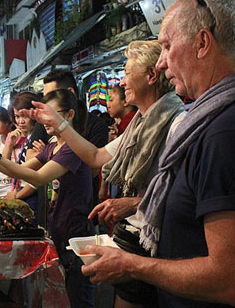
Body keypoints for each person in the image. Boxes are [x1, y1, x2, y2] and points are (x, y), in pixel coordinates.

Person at [82, 0, 235, 307]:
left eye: (166, 45)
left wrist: (133, 265)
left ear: (202, 43)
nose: (162, 62)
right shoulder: (213, 121)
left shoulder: (228, 134)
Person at [24, 40, 185, 308]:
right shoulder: (139, 125)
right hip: (135, 238)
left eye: (126, 72)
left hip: (161, 245)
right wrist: (59, 123)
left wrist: (135, 203)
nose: (121, 82)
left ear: (151, 76)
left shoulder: (177, 124)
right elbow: (96, 156)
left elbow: (183, 193)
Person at [0, 89, 96, 307]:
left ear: (69, 115)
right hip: (59, 232)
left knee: (79, 300)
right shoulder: (53, 146)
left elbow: (37, 177)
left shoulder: (72, 148)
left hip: (76, 237)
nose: (44, 120)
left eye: (50, 113)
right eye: (42, 114)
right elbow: (19, 169)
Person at [41, 69, 109, 205]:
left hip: (81, 207)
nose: (45, 103)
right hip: (53, 204)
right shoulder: (46, 123)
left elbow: (91, 169)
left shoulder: (97, 125)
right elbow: (32, 157)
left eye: (51, 96)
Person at [3, 92, 43, 221]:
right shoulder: (27, 137)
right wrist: (9, 143)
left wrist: (16, 196)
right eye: (17, 116)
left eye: (24, 116)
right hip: (22, 193)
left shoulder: (38, 137)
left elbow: (35, 178)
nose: (20, 121)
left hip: (31, 197)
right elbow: (4, 165)